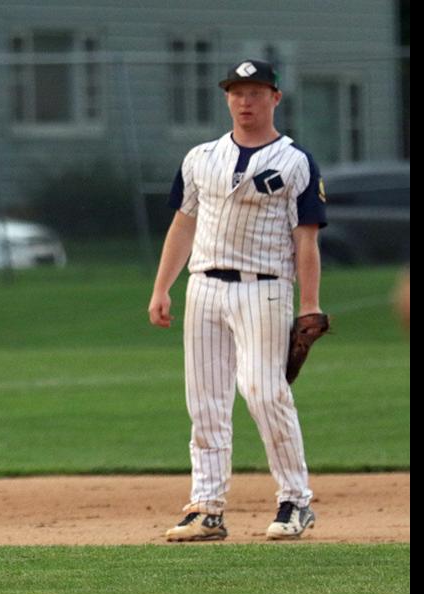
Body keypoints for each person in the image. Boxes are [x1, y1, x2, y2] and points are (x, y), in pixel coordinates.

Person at [148, 59, 328, 543]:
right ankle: (206, 508)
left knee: (265, 392)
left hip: (264, 287)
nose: (245, 101)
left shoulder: (295, 161)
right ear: (227, 98)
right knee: (205, 402)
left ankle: (296, 500)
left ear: (275, 98)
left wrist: (309, 304)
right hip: (204, 286)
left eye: (256, 92)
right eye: (237, 92)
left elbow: (306, 239)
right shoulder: (200, 157)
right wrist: (162, 287)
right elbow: (183, 224)